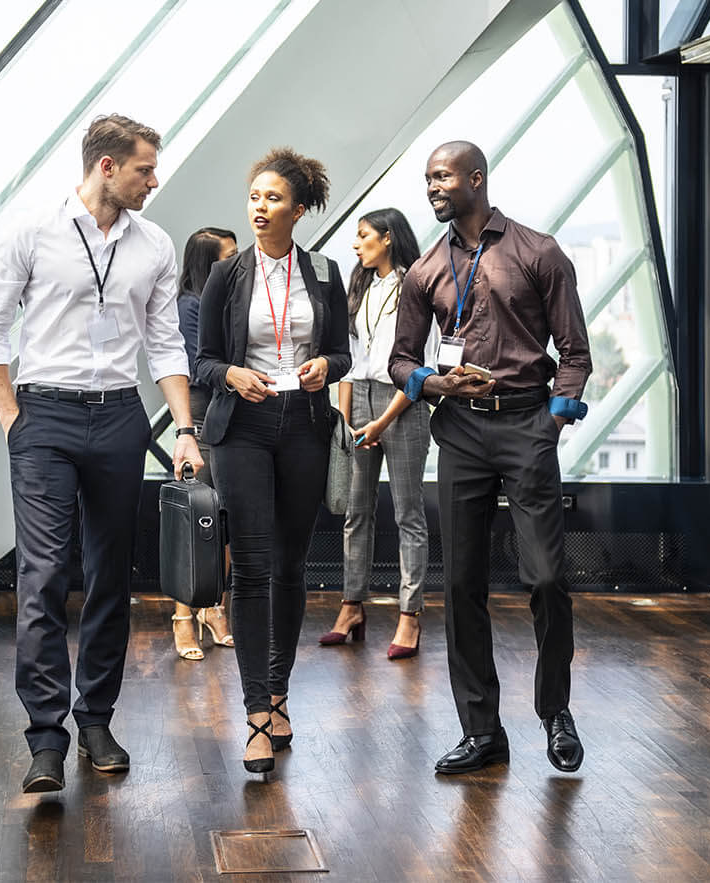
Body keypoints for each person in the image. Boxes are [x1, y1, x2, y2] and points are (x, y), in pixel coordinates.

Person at [0, 114, 203, 794]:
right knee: (43, 576)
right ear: (106, 166)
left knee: (111, 576)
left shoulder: (153, 244)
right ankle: (46, 736)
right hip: (43, 414)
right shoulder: (32, 230)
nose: (153, 180)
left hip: (119, 417)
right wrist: (12, 417)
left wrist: (184, 427)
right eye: (143, 169)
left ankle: (95, 718)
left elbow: (164, 343)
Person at [388, 141, 592, 776]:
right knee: (462, 583)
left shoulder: (538, 252)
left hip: (529, 423)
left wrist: (555, 417)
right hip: (461, 433)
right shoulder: (424, 270)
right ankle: (482, 731)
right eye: (427, 179)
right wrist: (432, 382)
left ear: (476, 179)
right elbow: (400, 359)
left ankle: (555, 710)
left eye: (443, 176)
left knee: (547, 577)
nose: (433, 187)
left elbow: (575, 353)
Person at [194, 147, 351, 774]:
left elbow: (341, 353)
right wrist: (232, 372)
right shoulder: (226, 275)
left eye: (273, 199)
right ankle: (257, 712)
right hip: (243, 428)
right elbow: (203, 360)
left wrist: (323, 368)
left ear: (299, 209)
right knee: (252, 566)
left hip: (306, 426)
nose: (259, 208)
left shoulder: (325, 272)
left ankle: (281, 693)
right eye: (254, 196)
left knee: (291, 567)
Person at [319, 208, 436, 659]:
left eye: (363, 235)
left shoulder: (416, 285)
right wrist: (346, 420)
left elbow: (420, 365)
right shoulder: (360, 286)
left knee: (408, 514)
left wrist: (382, 421)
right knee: (355, 511)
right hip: (360, 400)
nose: (355, 243)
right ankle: (351, 608)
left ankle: (410, 616)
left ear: (387, 238)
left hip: (402, 403)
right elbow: (350, 357)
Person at [170, 226, 238, 660]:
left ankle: (214, 609)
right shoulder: (190, 305)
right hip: (201, 408)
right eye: (228, 256)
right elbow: (201, 363)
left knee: (226, 515)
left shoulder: (227, 298)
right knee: (195, 515)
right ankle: (182, 617)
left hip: (231, 406)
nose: (236, 262)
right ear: (207, 262)